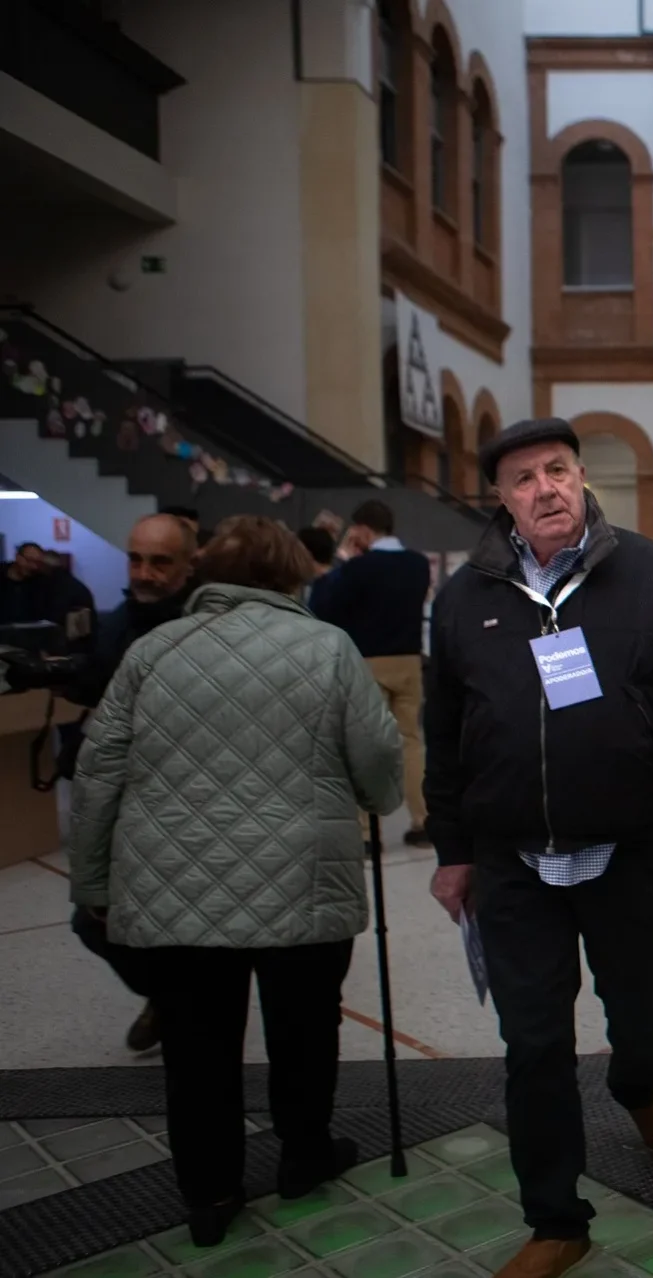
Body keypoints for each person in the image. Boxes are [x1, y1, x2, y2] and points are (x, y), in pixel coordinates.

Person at [422, 418, 653, 1278]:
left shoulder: (646, 573)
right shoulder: (465, 599)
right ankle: (556, 1217)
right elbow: (442, 736)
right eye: (522, 479)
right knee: (533, 1043)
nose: (544, 489)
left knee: (639, 996)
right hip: (510, 859)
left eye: (556, 470)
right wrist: (453, 849)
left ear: (581, 475)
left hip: (625, 845)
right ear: (501, 499)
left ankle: (639, 1084)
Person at [67, 515, 403, 1248]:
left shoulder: (152, 652)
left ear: (203, 575)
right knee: (305, 1027)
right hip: (303, 879)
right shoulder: (327, 648)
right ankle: (303, 1154)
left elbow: (97, 773)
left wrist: (91, 884)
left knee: (196, 1044)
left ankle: (210, 1192)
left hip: (172, 884)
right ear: (292, 577)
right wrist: (381, 799)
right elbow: (379, 764)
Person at [62, 512, 199, 1054]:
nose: (145, 573)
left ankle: (183, 1003)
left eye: (161, 562)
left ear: (191, 566)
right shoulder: (118, 620)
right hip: (120, 800)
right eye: (137, 559)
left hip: (187, 798)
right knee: (92, 921)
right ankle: (168, 998)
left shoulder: (199, 626)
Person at [311, 501, 432, 847]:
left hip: (368, 663)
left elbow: (325, 605)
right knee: (410, 741)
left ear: (362, 530)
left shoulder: (359, 567)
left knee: (365, 744)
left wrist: (345, 562)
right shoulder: (418, 564)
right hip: (409, 662)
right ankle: (423, 820)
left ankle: (366, 833)